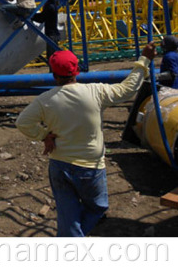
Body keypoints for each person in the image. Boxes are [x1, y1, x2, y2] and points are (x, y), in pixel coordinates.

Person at [15, 42, 157, 237]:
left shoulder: (45, 100)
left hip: (59, 165)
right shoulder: (95, 92)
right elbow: (128, 89)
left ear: (54, 74)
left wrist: (43, 135)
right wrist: (144, 59)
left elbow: (22, 122)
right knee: (98, 207)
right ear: (78, 71)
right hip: (90, 167)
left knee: (68, 216)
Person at [33, 0, 60, 65]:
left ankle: (53, 74)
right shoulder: (53, 5)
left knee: (52, 57)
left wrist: (31, 16)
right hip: (54, 34)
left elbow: (42, 18)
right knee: (53, 57)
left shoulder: (49, 7)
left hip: (51, 35)